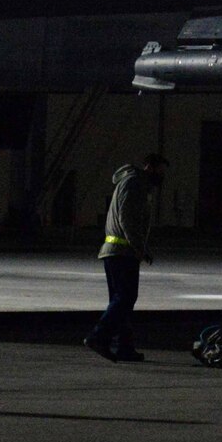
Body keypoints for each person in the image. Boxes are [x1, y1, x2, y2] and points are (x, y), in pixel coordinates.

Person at [85, 153, 166, 362]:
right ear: (150, 167)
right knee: (126, 298)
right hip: (122, 252)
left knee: (121, 300)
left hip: (118, 251)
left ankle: (125, 346)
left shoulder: (135, 183)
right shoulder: (134, 182)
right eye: (161, 171)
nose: (162, 176)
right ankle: (98, 336)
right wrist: (139, 247)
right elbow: (127, 218)